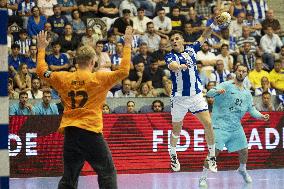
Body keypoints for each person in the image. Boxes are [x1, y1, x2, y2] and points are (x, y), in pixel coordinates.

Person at [36, 26, 133, 189]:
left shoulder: (63, 77)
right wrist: (128, 44)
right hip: (90, 132)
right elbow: (124, 70)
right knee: (107, 172)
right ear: (93, 62)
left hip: (71, 133)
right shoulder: (99, 78)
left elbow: (41, 71)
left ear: (76, 61)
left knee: (69, 178)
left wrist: (41, 50)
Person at [164, 12, 231, 172]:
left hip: (196, 96)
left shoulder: (192, 50)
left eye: (176, 39)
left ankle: (212, 157)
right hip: (179, 99)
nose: (174, 41)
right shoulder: (170, 56)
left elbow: (204, 35)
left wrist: (214, 24)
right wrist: (179, 67)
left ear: (182, 41)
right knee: (176, 129)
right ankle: (173, 154)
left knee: (208, 124)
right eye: (172, 40)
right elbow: (172, 66)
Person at [198, 64, 270, 187]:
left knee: (244, 151)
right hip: (220, 125)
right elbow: (209, 94)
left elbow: (251, 110)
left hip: (236, 127)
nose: (241, 73)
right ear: (236, 72)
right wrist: (216, 91)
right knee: (214, 152)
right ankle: (203, 177)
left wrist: (261, 116)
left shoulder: (247, 93)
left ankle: (242, 169)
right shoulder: (226, 85)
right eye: (239, 70)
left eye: (244, 71)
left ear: (246, 74)